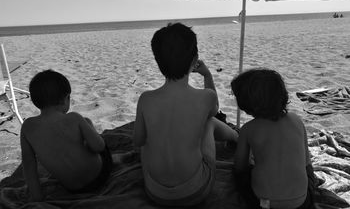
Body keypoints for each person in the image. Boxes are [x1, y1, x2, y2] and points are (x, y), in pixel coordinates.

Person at [134, 23, 238, 206]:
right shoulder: (206, 97)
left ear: (159, 63)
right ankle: (237, 137)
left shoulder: (146, 99)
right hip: (196, 190)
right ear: (195, 60)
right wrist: (207, 76)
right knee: (209, 122)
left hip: (155, 192)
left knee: (147, 140)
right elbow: (213, 111)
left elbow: (138, 141)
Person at [20, 70, 112, 201]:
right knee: (88, 122)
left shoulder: (27, 127)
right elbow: (99, 147)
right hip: (99, 176)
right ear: (65, 99)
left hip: (73, 188)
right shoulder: (75, 118)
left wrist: (37, 197)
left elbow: (29, 165)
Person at [231, 69, 314, 209]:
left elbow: (239, 167)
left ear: (246, 105)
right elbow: (306, 163)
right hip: (301, 202)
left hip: (265, 203)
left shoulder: (248, 129)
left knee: (240, 178)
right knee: (309, 177)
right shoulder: (296, 120)